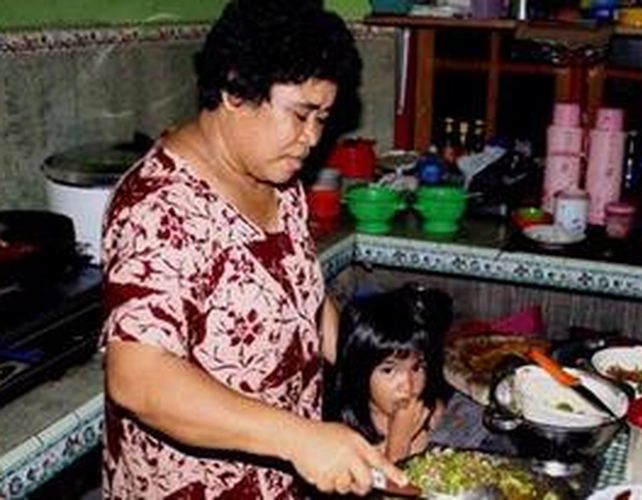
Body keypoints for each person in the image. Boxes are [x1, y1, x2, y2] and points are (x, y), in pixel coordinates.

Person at [99, 0, 407, 498]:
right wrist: (299, 438)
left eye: (322, 118)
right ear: (235, 89)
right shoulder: (160, 206)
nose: (312, 138)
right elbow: (139, 379)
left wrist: (375, 373)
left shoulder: (276, 177)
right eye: (300, 114)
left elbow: (301, 298)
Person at [331, 284, 453, 462]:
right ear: (360, 372)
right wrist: (399, 443)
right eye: (388, 370)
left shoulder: (431, 413)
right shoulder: (346, 438)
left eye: (417, 368)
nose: (408, 386)